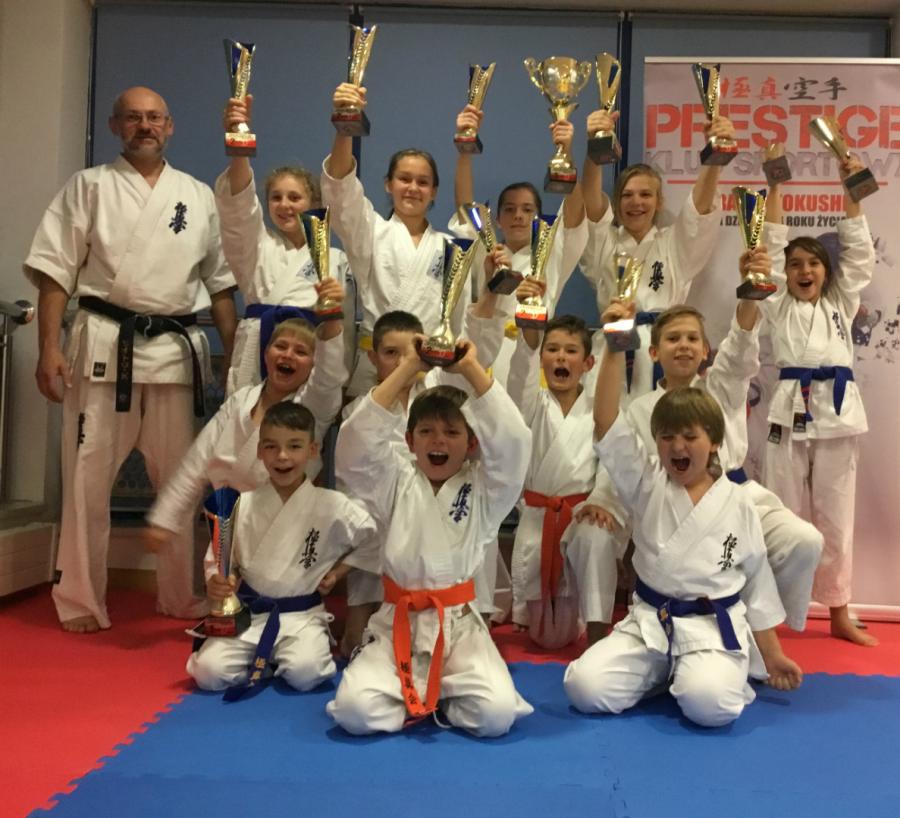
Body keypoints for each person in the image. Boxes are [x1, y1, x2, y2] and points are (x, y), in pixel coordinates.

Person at [24, 86, 237, 633]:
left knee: (184, 480)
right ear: (115, 126)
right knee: (86, 482)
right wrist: (48, 347)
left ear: (170, 126)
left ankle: (179, 595)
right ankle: (80, 598)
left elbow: (218, 285)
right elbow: (55, 273)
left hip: (174, 353)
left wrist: (235, 353)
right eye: (134, 118)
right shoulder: (88, 187)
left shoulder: (196, 195)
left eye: (155, 118)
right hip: (103, 346)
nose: (146, 126)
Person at [564, 299, 802, 728]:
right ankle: (663, 670)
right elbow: (606, 422)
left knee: (710, 707)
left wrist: (773, 654)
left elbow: (757, 582)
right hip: (650, 624)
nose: (677, 447)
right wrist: (615, 344)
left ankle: (690, 671)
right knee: (584, 688)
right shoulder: (646, 482)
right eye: (667, 438)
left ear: (713, 442)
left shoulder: (737, 501)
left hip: (710, 628)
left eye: (690, 437)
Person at [327, 338, 533, 737]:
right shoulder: (393, 480)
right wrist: (408, 367)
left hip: (458, 625)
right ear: (409, 441)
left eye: (452, 432)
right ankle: (427, 690)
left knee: (495, 717)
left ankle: (433, 691)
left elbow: (514, 443)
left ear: (471, 444)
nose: (438, 440)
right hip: (397, 620)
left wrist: (470, 368)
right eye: (426, 431)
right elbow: (353, 448)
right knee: (355, 713)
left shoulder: (487, 489)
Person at [338, 289, 506, 656]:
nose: (438, 439)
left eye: (409, 353)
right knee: (357, 699)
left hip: (449, 553)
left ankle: (474, 630)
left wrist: (485, 311)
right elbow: (353, 458)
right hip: (388, 515)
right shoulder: (364, 410)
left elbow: (507, 434)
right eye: (391, 354)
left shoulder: (439, 395)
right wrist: (410, 364)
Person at [761, 157, 877, 646]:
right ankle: (770, 614)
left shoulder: (840, 302)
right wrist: (774, 187)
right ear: (785, 275)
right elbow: (768, 249)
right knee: (780, 514)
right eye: (795, 265)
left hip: (838, 414)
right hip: (788, 412)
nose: (804, 270)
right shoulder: (775, 303)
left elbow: (858, 251)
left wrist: (851, 187)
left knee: (835, 518)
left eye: (813, 263)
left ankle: (839, 613)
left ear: (826, 272)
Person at [187, 401, 377, 696]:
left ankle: (269, 660)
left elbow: (374, 540)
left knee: (308, 674)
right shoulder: (242, 504)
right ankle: (267, 660)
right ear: (260, 451)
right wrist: (217, 580)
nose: (283, 456)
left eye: (294, 446)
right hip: (251, 614)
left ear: (312, 450)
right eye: (271, 447)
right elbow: (219, 558)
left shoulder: (332, 505)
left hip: (302, 617)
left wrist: (339, 573)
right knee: (208, 673)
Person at [145, 308, 347, 546]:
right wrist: (166, 517)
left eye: (301, 351)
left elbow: (328, 377)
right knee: (221, 571)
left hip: (287, 530)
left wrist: (332, 315)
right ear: (266, 353)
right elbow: (197, 460)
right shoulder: (239, 402)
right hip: (229, 523)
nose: (288, 355)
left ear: (313, 365)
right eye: (281, 346)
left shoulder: (311, 408)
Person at [579, 109, 736, 399]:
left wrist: (715, 156)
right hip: (612, 351)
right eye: (627, 195)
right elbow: (589, 203)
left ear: (659, 201)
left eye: (645, 194)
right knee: (609, 423)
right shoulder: (605, 243)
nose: (636, 202)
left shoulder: (673, 244)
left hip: (666, 349)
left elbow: (699, 211)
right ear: (616, 202)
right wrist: (594, 148)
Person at [322, 82, 469, 395]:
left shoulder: (450, 247)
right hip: (377, 365)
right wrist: (345, 126)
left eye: (423, 182)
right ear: (388, 184)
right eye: (404, 179)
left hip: (432, 370)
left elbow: (459, 319)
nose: (413, 188)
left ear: (434, 192)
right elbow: (341, 193)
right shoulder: (371, 231)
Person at [506, 301, 626, 648]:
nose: (561, 357)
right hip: (538, 517)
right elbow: (521, 378)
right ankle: (536, 616)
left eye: (571, 351)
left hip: (581, 515)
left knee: (596, 537)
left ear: (588, 363)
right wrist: (530, 332)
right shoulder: (531, 405)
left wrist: (601, 500)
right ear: (542, 360)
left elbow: (612, 460)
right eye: (552, 349)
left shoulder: (600, 409)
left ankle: (598, 631)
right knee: (548, 638)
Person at [217, 93, 353, 394]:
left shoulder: (335, 258)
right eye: (276, 197)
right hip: (257, 347)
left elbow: (340, 323)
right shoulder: (256, 244)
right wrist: (239, 142)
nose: (284, 205)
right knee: (248, 418)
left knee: (302, 420)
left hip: (309, 348)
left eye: (294, 197)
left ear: (314, 203)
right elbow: (239, 208)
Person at [450, 104, 589, 387]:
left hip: (531, 356)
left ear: (539, 218)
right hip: (484, 355)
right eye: (510, 210)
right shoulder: (488, 252)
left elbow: (575, 215)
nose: (518, 216)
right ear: (497, 220)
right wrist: (465, 149)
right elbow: (466, 207)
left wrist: (566, 153)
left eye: (527, 210)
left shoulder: (552, 253)